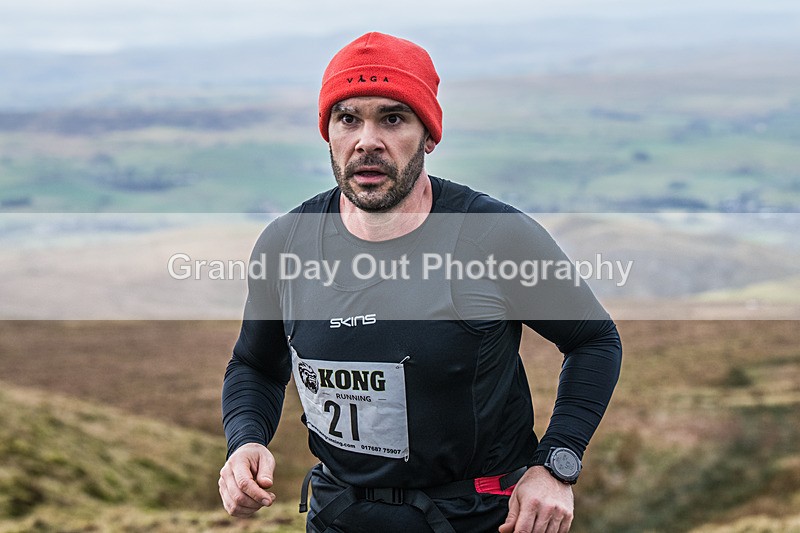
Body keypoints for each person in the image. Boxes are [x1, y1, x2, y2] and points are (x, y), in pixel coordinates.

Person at [218, 32, 622, 533]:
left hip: (479, 519)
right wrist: (246, 441)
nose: (367, 140)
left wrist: (558, 463)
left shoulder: (493, 237)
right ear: (329, 134)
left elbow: (594, 340)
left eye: (392, 118)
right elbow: (255, 364)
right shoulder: (286, 244)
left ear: (428, 135)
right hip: (340, 516)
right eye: (348, 119)